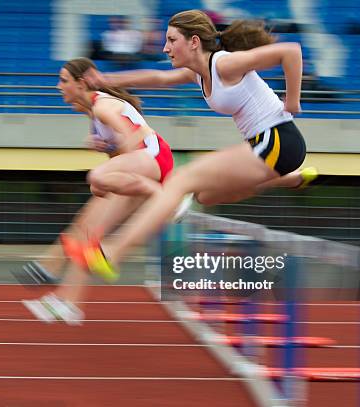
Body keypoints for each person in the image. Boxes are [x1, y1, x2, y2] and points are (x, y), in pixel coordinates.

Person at [62, 10, 318, 281]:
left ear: (194, 41)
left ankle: (113, 252)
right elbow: (158, 78)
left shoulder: (224, 64)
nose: (165, 48)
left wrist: (292, 102)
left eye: (172, 40)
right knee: (206, 196)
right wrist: (107, 81)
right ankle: (288, 179)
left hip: (277, 138)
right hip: (269, 148)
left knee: (181, 180)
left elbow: (290, 51)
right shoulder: (198, 74)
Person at [21, 57, 187, 324]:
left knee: (97, 177)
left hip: (154, 158)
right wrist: (109, 149)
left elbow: (135, 136)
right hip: (143, 165)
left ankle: (168, 198)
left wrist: (116, 162)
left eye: (63, 81)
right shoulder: (93, 114)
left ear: (81, 82)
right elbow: (124, 149)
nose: (57, 87)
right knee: (89, 233)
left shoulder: (102, 106)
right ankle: (68, 303)